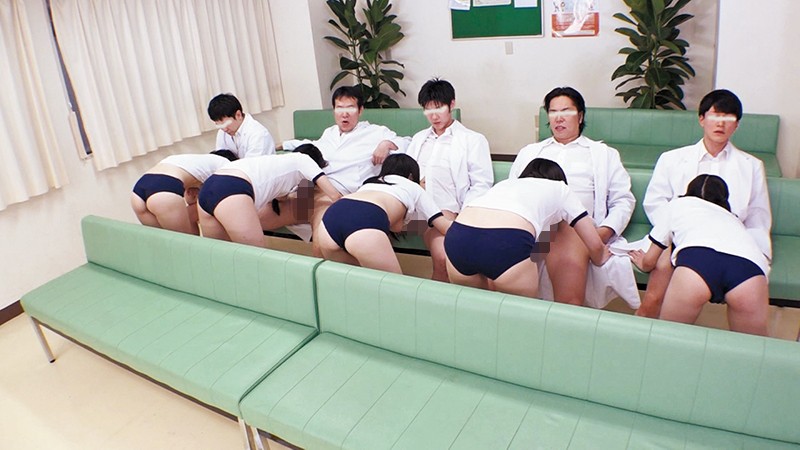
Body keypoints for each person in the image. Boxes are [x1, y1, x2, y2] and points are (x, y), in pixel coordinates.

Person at [637, 89, 772, 318]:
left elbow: (758, 217)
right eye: (715, 115)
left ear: (737, 124)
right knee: (657, 283)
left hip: (731, 239)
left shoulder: (751, 165)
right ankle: (646, 319)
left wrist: (760, 255)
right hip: (677, 235)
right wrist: (675, 231)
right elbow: (655, 202)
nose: (720, 123)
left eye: (728, 117)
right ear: (701, 119)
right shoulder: (672, 158)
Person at [508, 87, 635, 306]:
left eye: (566, 111)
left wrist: (603, 233)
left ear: (580, 116)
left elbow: (623, 200)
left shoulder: (603, 154)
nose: (559, 117)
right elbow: (513, 192)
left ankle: (565, 314)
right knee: (510, 268)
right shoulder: (530, 152)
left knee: (565, 283)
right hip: (539, 230)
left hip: (582, 230)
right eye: (553, 111)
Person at [445, 158, 610, 297]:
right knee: (520, 317)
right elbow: (594, 244)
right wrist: (601, 256)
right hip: (506, 241)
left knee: (474, 312)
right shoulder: (561, 188)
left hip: (458, 236)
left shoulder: (505, 184)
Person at [629, 175, 769, 335]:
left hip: (698, 260)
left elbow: (650, 260)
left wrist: (643, 263)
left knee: (669, 337)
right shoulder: (733, 218)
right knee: (751, 346)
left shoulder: (677, 205)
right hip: (749, 268)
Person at [281, 86, 410, 252]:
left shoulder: (375, 132)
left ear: (360, 110)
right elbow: (314, 145)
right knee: (258, 212)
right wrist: (283, 144)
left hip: (336, 196)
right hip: (310, 189)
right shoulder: (330, 132)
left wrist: (386, 144)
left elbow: (407, 142)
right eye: (340, 108)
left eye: (350, 108)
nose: (345, 114)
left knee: (320, 246)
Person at [405, 78, 493, 282]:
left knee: (444, 258)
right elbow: (405, 173)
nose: (433, 115)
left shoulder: (472, 140)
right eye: (428, 109)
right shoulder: (419, 139)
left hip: (446, 211)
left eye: (439, 107)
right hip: (413, 208)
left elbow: (481, 183)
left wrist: (465, 216)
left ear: (451, 104)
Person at [316, 154, 451, 274]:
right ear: (411, 175)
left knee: (352, 284)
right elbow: (443, 225)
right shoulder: (413, 186)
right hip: (363, 223)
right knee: (392, 287)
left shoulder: (369, 183)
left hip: (329, 220)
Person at [197, 144, 341, 247]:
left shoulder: (277, 164)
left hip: (208, 187)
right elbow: (335, 196)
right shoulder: (305, 160)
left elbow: (281, 198)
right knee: (256, 259)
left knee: (220, 257)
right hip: (233, 190)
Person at [131, 150, 238, 235]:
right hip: (164, 190)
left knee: (164, 245)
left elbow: (190, 198)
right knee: (186, 246)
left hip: (138, 192)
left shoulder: (190, 163)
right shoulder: (226, 164)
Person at [208, 93, 276, 158]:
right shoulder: (222, 132)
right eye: (218, 125)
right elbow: (221, 159)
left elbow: (252, 164)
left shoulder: (258, 134)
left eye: (225, 124)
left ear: (238, 115)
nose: (224, 129)